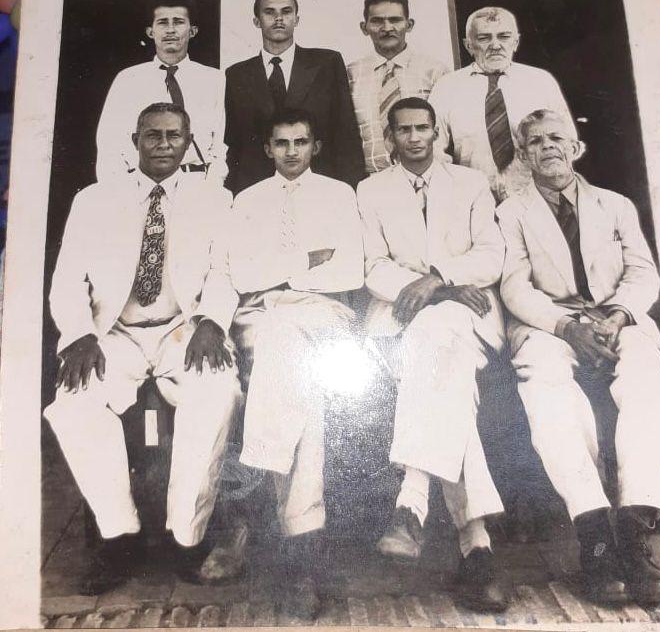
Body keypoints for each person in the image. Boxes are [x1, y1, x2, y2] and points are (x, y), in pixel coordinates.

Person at [44, 102, 240, 593]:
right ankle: (120, 538)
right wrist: (80, 334)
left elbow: (224, 271)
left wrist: (212, 322)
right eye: (153, 135)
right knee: (73, 404)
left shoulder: (215, 199)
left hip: (183, 329)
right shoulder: (94, 200)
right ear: (135, 141)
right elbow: (67, 279)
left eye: (174, 135)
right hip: (116, 333)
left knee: (217, 392)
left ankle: (187, 539)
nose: (163, 144)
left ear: (188, 141)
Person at [497, 108, 660, 604]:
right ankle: (596, 536)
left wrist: (617, 316)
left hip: (616, 319)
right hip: (549, 324)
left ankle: (635, 525)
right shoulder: (511, 212)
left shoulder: (615, 205)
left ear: (576, 148)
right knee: (549, 393)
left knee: (652, 385)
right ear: (524, 155)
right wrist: (566, 327)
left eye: (557, 138)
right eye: (535, 141)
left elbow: (643, 272)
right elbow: (515, 287)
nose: (547, 147)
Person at [356, 96, 509, 612]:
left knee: (441, 337)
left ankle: (412, 501)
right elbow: (373, 266)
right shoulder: (371, 190)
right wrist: (436, 290)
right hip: (401, 318)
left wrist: (441, 277)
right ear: (389, 137)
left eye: (423, 128)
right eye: (404, 130)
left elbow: (490, 254)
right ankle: (477, 548)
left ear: (437, 132)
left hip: (468, 314)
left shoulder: (469, 183)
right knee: (449, 380)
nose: (415, 138)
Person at [227, 108, 364, 619]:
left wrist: (280, 277)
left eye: (300, 142)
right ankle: (302, 548)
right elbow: (242, 274)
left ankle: (257, 468)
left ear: (315, 146)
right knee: (304, 394)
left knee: (284, 346)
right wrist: (307, 260)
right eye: (281, 143)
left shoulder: (339, 195)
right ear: (267, 148)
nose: (291, 152)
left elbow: (350, 270)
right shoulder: (247, 201)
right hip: (261, 314)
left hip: (321, 312)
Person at [224, 0, 365, 195]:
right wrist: (234, 193)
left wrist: (352, 189)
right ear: (256, 21)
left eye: (286, 11)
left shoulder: (326, 63)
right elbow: (234, 142)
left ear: (296, 19)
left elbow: (346, 133)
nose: (278, 18)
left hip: (321, 185)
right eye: (269, 12)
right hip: (257, 189)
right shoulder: (238, 74)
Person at [428, 6, 571, 202]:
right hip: (472, 199)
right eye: (484, 38)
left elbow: (567, 142)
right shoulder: (447, 87)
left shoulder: (541, 82)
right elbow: (433, 149)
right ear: (468, 45)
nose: (495, 45)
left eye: (504, 36)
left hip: (537, 198)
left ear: (516, 42)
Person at [96, 0, 227, 182]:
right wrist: (121, 191)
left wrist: (212, 187)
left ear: (192, 31)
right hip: (138, 183)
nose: (170, 30)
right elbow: (109, 145)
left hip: (195, 182)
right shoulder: (128, 79)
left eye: (178, 22)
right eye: (163, 22)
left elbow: (221, 145)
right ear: (151, 32)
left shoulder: (214, 80)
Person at [347, 0, 448, 173]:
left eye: (395, 20)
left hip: (427, 176)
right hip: (371, 178)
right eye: (377, 21)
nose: (387, 28)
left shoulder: (435, 71)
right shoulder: (351, 74)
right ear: (364, 27)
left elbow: (445, 132)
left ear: (409, 25)